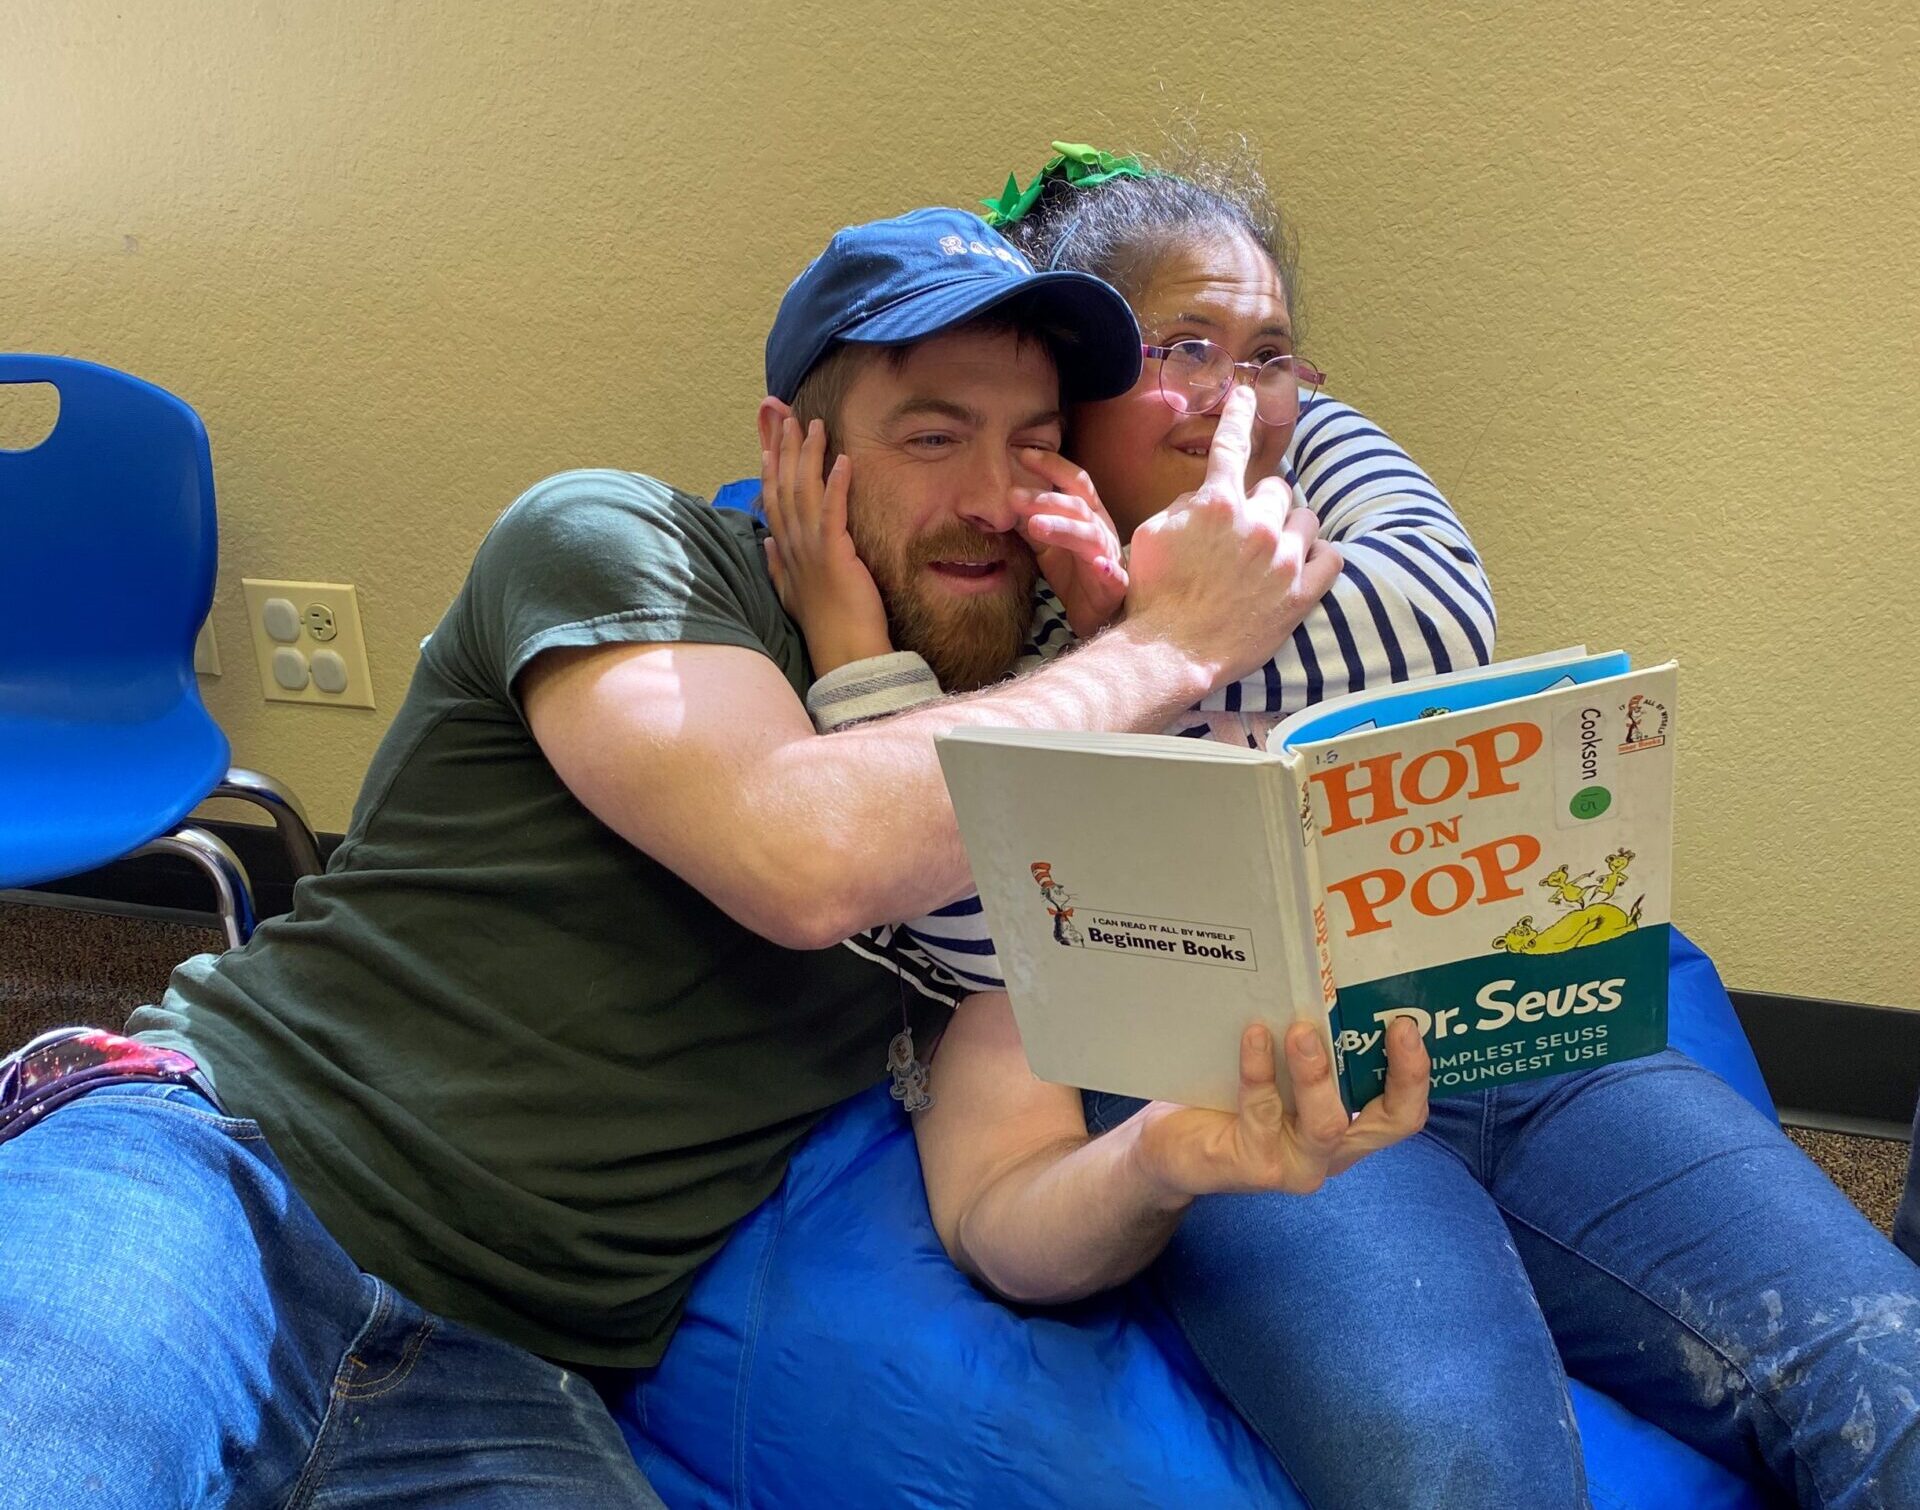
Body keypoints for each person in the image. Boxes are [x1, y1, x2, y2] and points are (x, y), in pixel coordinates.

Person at [0, 206, 1427, 1509]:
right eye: (933, 438)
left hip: (505, 1370)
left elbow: (1001, 1207)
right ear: (796, 447)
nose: (996, 498)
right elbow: (805, 853)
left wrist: (1164, 1157)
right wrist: (1171, 649)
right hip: (221, 1175)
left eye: (1035, 441)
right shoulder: (621, 542)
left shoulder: (1023, 756)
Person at [764, 146, 1920, 1507]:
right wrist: (1038, 646)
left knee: (1885, 1370)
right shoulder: (986, 600)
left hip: (1515, 1028)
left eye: (1269, 355)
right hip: (1258, 1095)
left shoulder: (1315, 504)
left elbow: (1439, 617)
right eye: (1182, 349)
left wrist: (1179, 603)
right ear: (1076, 397)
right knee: (1460, 1471)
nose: (1232, 394)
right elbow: (961, 919)